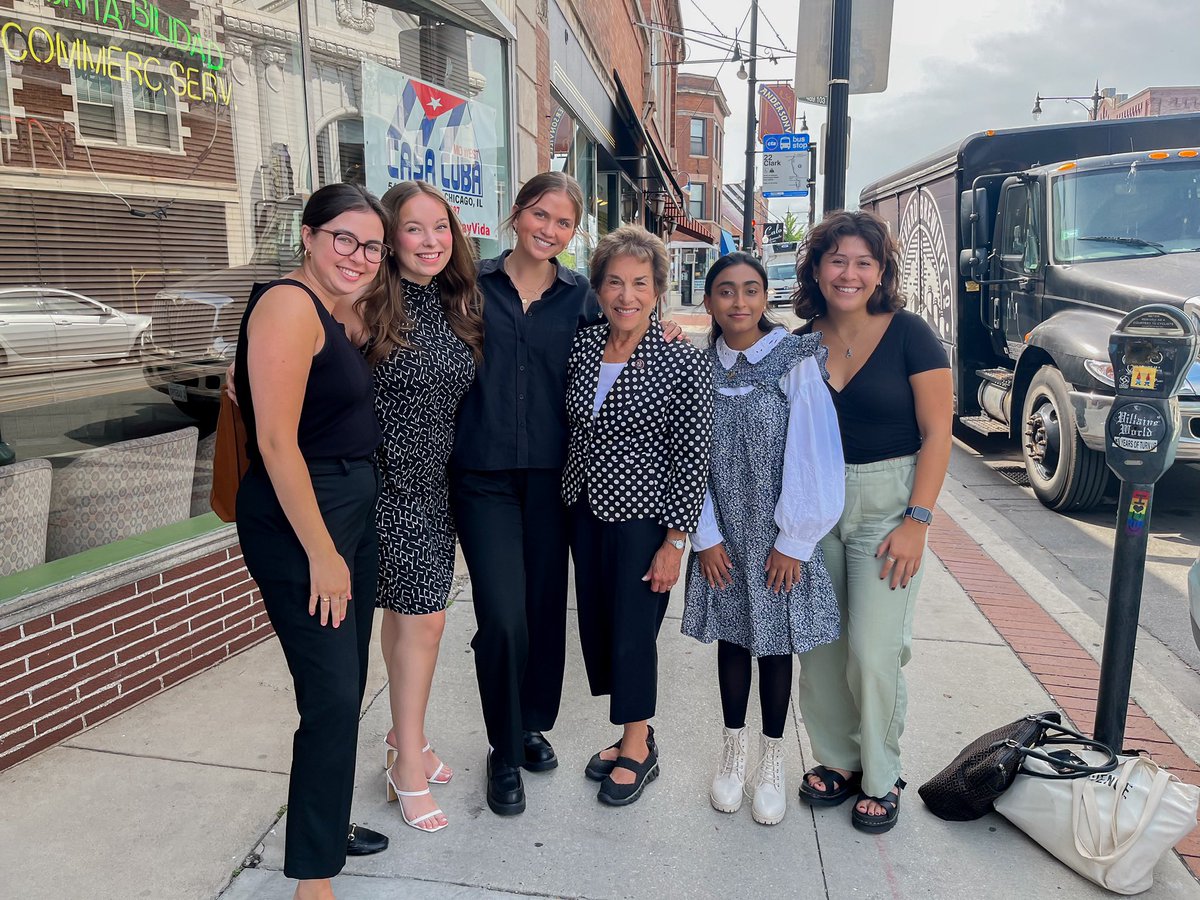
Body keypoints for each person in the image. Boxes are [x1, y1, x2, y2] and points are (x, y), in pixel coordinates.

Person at [448, 172, 686, 816]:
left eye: (563, 222)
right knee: (502, 616)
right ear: (516, 213)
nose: (548, 230)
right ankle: (502, 748)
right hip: (485, 478)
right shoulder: (469, 285)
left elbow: (627, 323)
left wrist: (665, 329)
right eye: (539, 215)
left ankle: (529, 724)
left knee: (548, 613)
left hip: (558, 485)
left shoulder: (581, 296)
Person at [233, 183, 391, 900]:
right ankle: (313, 879)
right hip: (307, 522)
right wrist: (323, 554)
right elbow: (273, 442)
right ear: (308, 235)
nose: (359, 256)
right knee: (331, 696)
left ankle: (325, 826)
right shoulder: (289, 304)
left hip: (348, 513)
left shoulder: (333, 307)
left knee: (346, 684)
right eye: (344, 239)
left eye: (372, 246)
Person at [792, 210, 953, 835]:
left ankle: (881, 774)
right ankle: (837, 759)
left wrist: (918, 518)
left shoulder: (911, 333)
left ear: (881, 271)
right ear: (818, 268)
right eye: (837, 260)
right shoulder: (803, 341)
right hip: (817, 505)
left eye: (863, 262)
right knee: (824, 647)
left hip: (888, 504)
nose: (849, 273)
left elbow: (938, 432)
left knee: (873, 648)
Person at [681, 251, 844, 826]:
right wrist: (704, 536)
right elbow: (684, 458)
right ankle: (733, 753)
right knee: (732, 642)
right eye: (726, 291)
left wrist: (794, 540)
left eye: (751, 290)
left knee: (774, 648)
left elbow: (816, 453)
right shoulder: (696, 369)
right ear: (709, 302)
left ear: (764, 298)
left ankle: (771, 759)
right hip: (721, 536)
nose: (740, 302)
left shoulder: (793, 361)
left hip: (777, 539)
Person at [563, 225, 713, 806]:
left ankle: (637, 747)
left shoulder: (681, 361)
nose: (627, 295)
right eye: (616, 283)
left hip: (644, 520)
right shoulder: (582, 345)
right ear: (598, 289)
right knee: (600, 626)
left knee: (633, 632)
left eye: (641, 284)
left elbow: (690, 457)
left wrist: (675, 542)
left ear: (657, 291)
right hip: (584, 512)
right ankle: (632, 728)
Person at [354, 182, 482, 833]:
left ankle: (406, 736)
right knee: (424, 621)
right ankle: (405, 764)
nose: (430, 240)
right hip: (386, 489)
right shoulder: (366, 304)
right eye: (414, 228)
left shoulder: (457, 301)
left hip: (438, 489)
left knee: (407, 621)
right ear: (389, 235)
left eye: (440, 227)